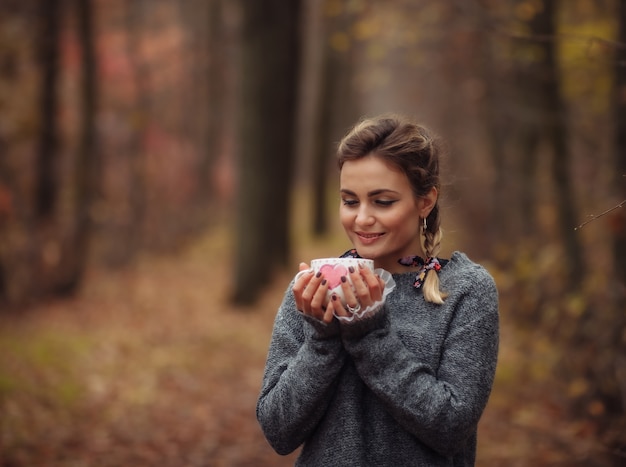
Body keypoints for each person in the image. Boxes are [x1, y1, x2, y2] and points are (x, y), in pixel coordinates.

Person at [256, 113, 499, 466]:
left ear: (426, 201)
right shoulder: (313, 290)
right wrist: (323, 340)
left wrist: (368, 334)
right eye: (350, 201)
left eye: (383, 201)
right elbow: (278, 431)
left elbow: (451, 427)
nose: (362, 218)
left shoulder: (465, 291)